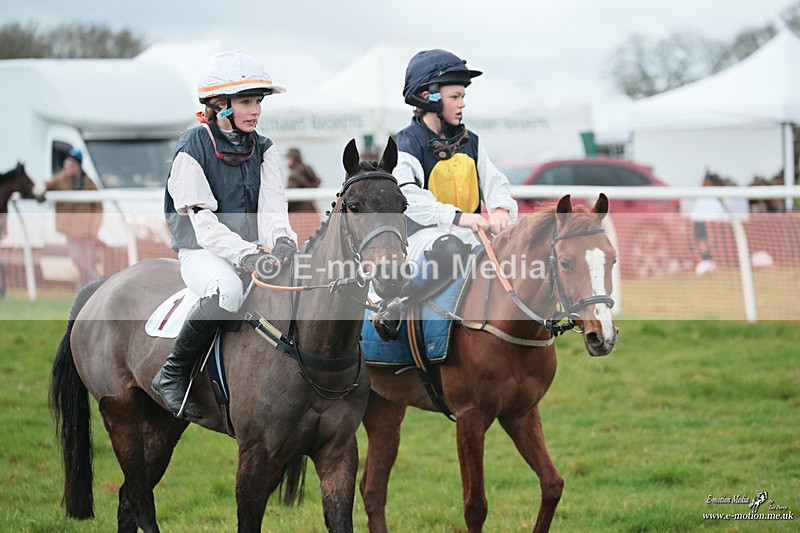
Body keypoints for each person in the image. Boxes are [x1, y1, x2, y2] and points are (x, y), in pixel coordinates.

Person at [155, 51, 298, 418]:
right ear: (220, 106)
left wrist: (282, 240)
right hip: (202, 251)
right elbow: (204, 228)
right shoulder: (192, 147)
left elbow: (272, 207)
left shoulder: (264, 148)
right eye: (247, 102)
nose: (256, 110)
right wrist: (247, 255)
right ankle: (173, 374)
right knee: (229, 290)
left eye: (258, 101)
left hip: (250, 248)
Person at [371, 49, 518, 339]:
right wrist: (457, 217)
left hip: (468, 235)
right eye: (455, 97)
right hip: (420, 240)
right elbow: (407, 196)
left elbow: (495, 180)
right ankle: (396, 307)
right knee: (450, 248)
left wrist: (500, 208)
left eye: (463, 97)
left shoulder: (471, 141)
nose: (462, 105)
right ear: (429, 97)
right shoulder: (407, 142)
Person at [44, 148, 103, 290]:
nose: (68, 168)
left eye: (71, 165)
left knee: (87, 262)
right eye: (67, 164)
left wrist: (94, 228)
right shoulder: (60, 180)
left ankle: (87, 290)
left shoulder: (89, 183)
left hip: (86, 232)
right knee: (80, 262)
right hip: (71, 231)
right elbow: (46, 185)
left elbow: (98, 207)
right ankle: (96, 285)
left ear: (78, 165)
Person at [285, 147, 321, 213]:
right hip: (312, 212)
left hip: (297, 214)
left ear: (292, 159)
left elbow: (289, 200)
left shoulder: (293, 177)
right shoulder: (308, 172)